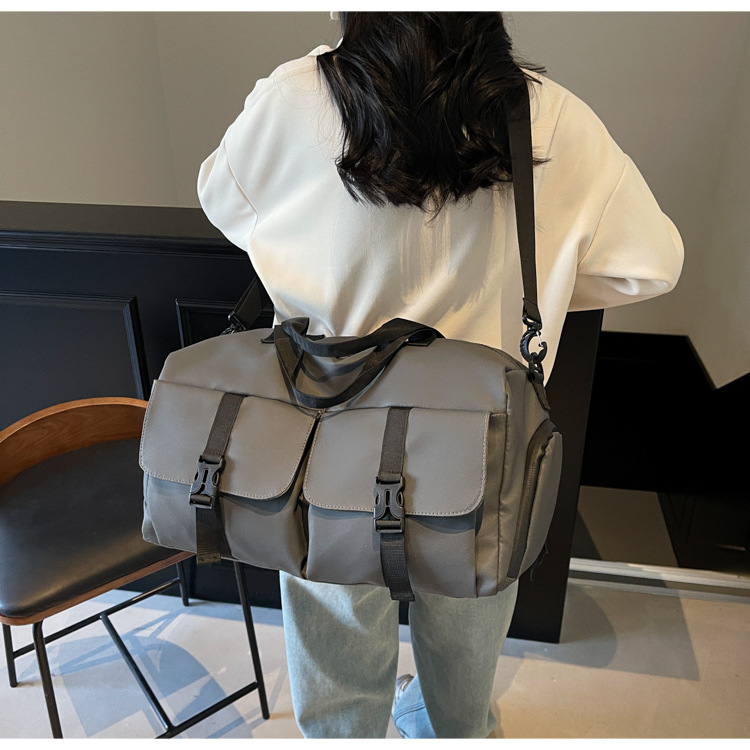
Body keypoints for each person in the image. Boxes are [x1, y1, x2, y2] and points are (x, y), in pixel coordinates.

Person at [197, 12, 683, 739]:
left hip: (326, 426)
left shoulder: (294, 98)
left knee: (335, 606)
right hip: (484, 438)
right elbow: (652, 265)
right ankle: (450, 726)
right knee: (469, 611)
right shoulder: (554, 117)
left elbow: (223, 200)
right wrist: (545, 290)